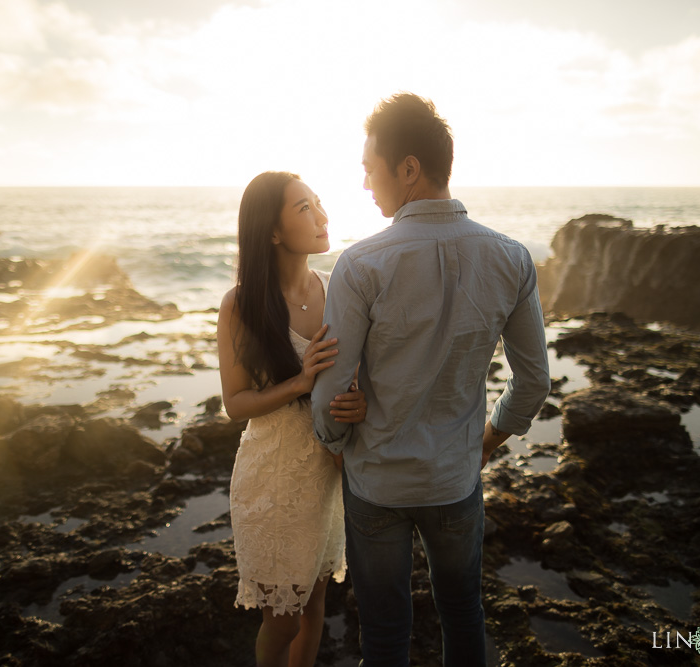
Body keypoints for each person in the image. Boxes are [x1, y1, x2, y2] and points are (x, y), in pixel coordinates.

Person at [311, 93, 552, 666]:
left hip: (376, 485)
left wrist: (337, 446)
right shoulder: (512, 257)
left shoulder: (361, 264)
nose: (366, 185)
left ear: (409, 169)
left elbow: (329, 391)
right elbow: (534, 380)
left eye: (371, 170)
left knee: (387, 636)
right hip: (455, 479)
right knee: (464, 616)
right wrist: (489, 438)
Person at [217, 171, 367, 667]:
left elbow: (358, 376)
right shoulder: (240, 304)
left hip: (326, 474)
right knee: (281, 617)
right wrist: (299, 385)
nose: (322, 217)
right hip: (272, 476)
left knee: (316, 602)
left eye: (319, 203)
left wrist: (361, 403)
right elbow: (235, 402)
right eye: (304, 208)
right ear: (273, 231)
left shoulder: (336, 290)